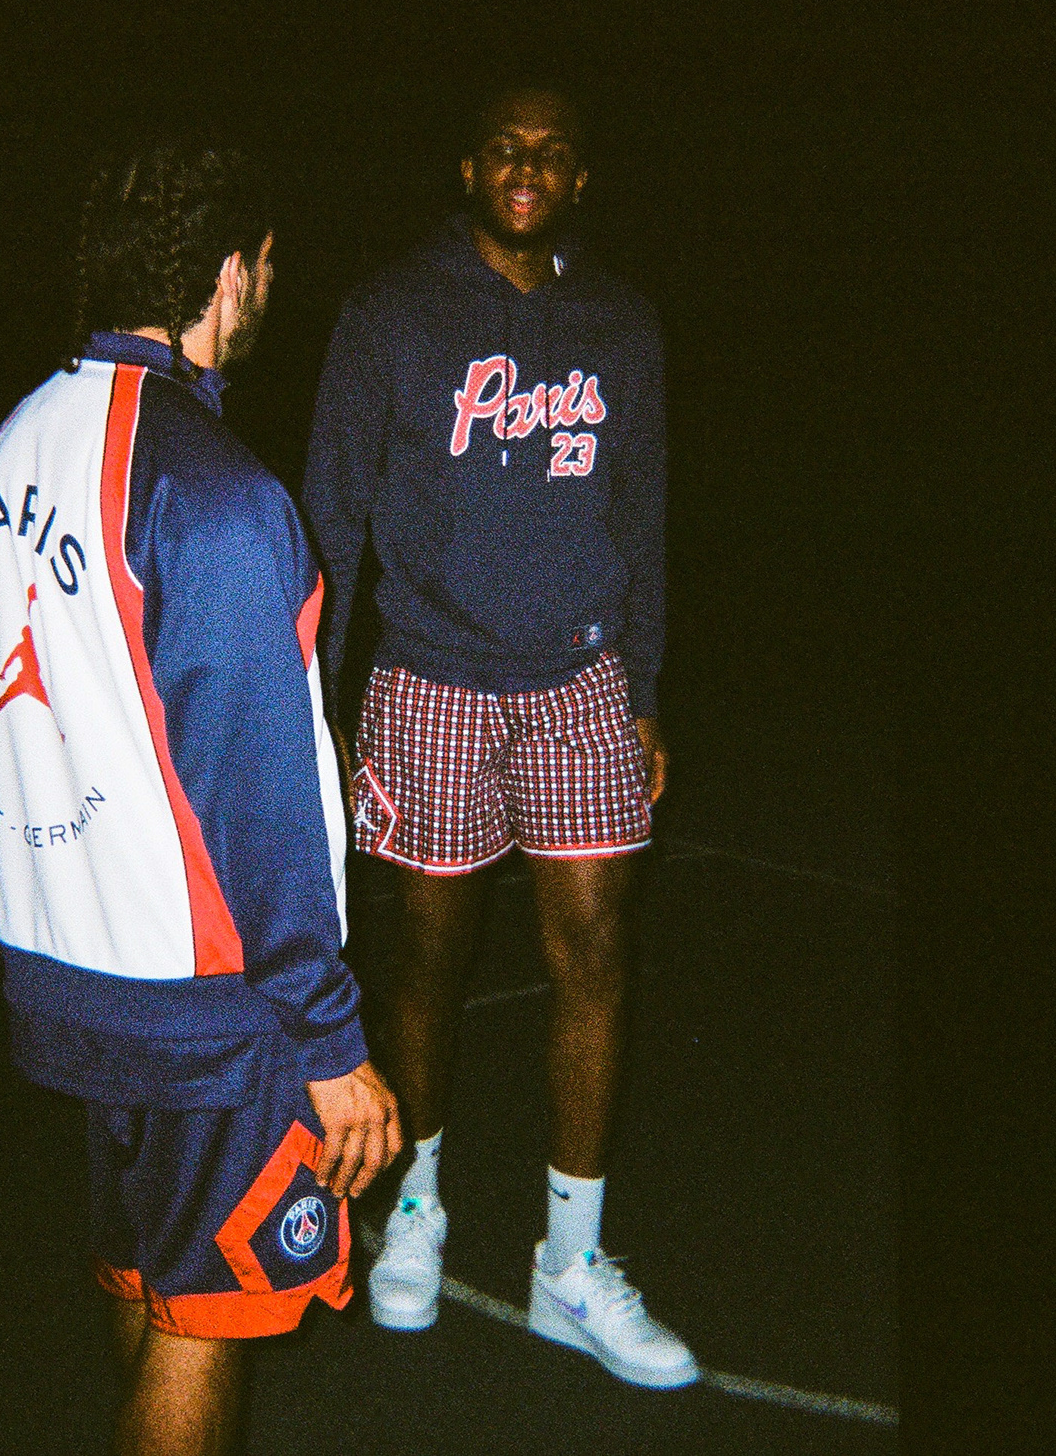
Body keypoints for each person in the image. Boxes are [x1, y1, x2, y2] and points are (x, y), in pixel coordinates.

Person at [0, 136, 401, 1456]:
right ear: (230, 274)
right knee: (209, 1317)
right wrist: (330, 1042)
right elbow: (254, 786)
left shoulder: (19, 439)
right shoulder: (216, 492)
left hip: (68, 968)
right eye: (265, 265)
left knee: (152, 1283)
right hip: (202, 1002)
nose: (270, 287)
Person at [302, 87, 690, 1388]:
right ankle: (415, 1208)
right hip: (431, 676)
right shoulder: (391, 312)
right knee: (428, 958)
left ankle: (569, 1262)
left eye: (554, 151)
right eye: (508, 148)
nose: (529, 166)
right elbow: (331, 513)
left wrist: (644, 689)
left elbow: (644, 517)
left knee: (596, 953)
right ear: (468, 165)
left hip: (582, 678)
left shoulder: (620, 325)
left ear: (582, 180)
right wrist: (313, 703)